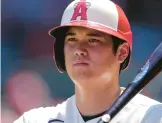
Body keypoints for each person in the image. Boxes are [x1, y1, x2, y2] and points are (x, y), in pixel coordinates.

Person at [14, 0, 162, 123]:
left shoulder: (153, 117)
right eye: (72, 39)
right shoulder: (34, 120)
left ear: (122, 52)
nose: (79, 49)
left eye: (93, 40)